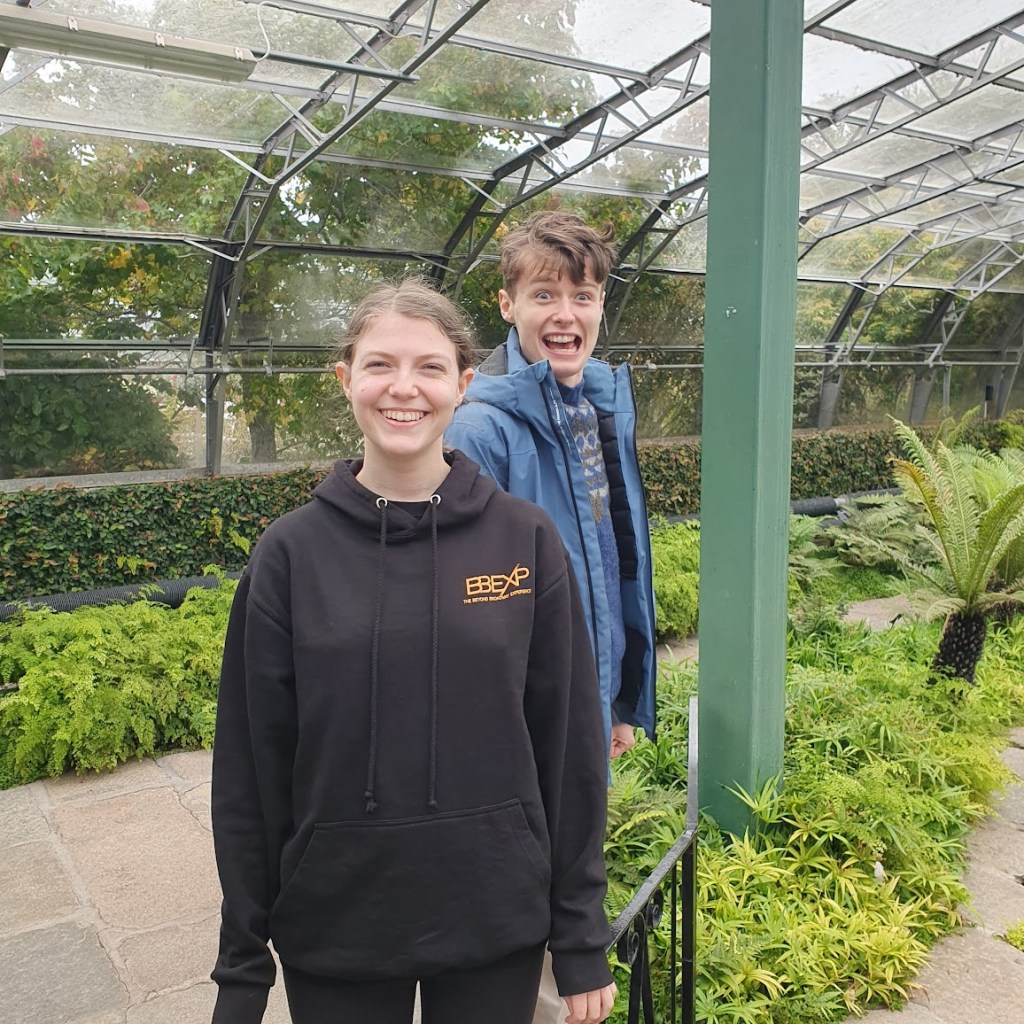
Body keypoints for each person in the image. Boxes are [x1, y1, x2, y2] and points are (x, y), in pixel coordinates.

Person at [209, 278, 616, 1024]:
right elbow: (249, 768)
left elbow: (570, 751)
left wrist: (582, 934)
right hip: (337, 925)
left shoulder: (524, 541)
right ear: (346, 380)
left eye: (430, 367)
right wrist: (242, 966)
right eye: (379, 365)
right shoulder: (290, 555)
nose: (405, 389)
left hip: (496, 917)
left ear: (464, 384)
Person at [444, 210, 657, 1024]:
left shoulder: (595, 407)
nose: (565, 314)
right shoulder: (481, 428)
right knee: (526, 872)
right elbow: (466, 600)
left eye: (583, 294)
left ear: (601, 305)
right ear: (507, 304)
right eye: (544, 294)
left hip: (581, 701)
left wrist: (615, 701)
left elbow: (612, 564)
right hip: (518, 718)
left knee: (569, 853)